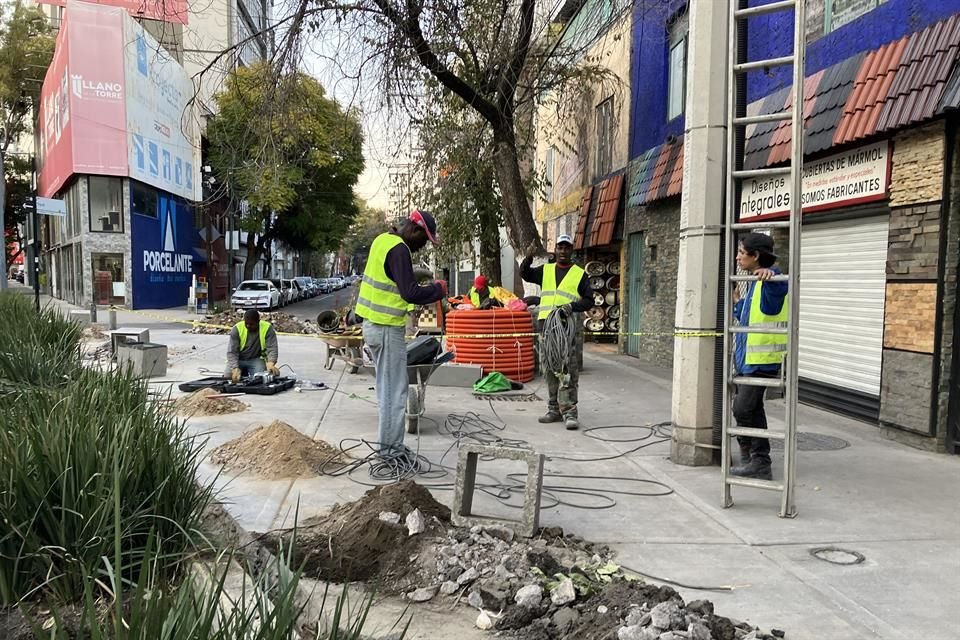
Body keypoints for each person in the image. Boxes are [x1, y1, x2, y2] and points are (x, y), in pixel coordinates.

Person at [356, 209, 447, 457]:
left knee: (388, 391)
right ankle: (389, 452)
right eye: (424, 239)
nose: (423, 245)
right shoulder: (399, 249)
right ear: (415, 230)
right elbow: (409, 293)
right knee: (395, 394)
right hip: (385, 328)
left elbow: (394, 281)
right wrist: (437, 290)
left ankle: (390, 447)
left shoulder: (382, 241)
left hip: (374, 326)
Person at [731, 232, 789, 481]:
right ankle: (752, 458)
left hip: (761, 362)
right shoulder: (755, 284)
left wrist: (773, 275)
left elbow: (779, 287)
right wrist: (736, 303)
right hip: (747, 361)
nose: (737, 257)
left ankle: (759, 459)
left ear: (756, 256)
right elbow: (746, 316)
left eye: (742, 253)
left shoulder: (769, 283)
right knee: (752, 409)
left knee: (742, 409)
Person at [520, 233, 592, 430]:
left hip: (566, 329)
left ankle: (569, 412)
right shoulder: (546, 271)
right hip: (546, 328)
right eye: (560, 247)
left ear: (571, 250)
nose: (563, 251)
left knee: (567, 370)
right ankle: (553, 409)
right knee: (549, 369)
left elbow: (588, 300)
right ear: (555, 250)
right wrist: (528, 258)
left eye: (566, 247)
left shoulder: (579, 274)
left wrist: (572, 307)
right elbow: (525, 274)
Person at [226, 309, 279, 382]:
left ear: (258, 321)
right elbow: (232, 352)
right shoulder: (237, 329)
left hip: (256, 359)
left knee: (260, 379)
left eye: (251, 324)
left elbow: (272, 348)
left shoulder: (267, 328)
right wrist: (235, 368)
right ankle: (242, 372)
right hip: (239, 359)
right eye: (246, 323)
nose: (248, 326)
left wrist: (271, 363)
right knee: (228, 377)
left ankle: (244, 373)